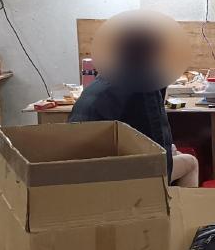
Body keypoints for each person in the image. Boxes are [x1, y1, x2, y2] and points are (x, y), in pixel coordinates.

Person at [69, 11, 198, 186]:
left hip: (83, 172)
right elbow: (157, 151)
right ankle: (179, 205)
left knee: (175, 154)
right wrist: (169, 153)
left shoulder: (103, 78)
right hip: (121, 178)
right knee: (191, 162)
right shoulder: (143, 86)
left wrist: (170, 150)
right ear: (154, 52)